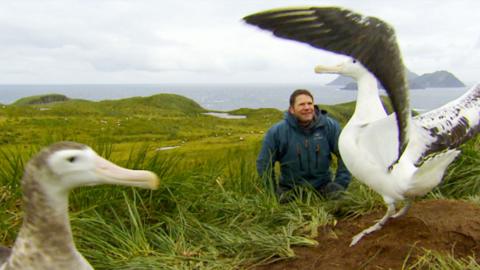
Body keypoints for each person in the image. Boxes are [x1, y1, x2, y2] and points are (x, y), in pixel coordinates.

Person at [257, 89, 351, 201]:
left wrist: (340, 184)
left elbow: (346, 154)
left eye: (310, 103)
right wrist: (272, 193)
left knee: (346, 206)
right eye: (301, 104)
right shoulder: (277, 132)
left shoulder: (329, 126)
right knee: (283, 215)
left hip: (324, 188)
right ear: (292, 109)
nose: (307, 107)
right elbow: (264, 163)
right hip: (291, 191)